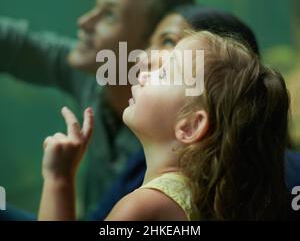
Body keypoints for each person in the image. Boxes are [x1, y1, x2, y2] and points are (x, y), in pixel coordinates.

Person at [0, 0, 195, 215]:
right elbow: (18, 46)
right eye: (96, 8)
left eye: (109, 15)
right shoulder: (92, 77)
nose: (84, 22)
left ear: (147, 46)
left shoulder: (167, 131)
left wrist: (59, 179)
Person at [38, 29, 290, 220]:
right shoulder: (207, 199)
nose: (144, 74)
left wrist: (59, 178)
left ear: (190, 126)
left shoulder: (144, 207)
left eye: (165, 72)